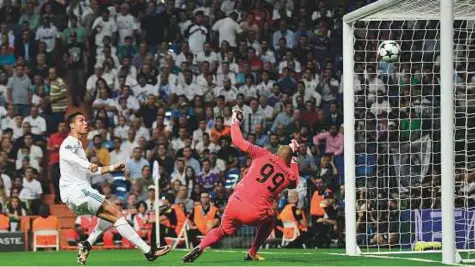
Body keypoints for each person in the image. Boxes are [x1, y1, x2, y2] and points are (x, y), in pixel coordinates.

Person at [183, 109, 300, 262]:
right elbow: (295, 182)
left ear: (277, 152)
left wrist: (235, 122)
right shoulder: (289, 174)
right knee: (272, 218)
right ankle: (252, 252)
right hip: (255, 212)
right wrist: (295, 157)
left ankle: (201, 246)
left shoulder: (263, 153)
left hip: (235, 203)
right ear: (288, 159)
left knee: (223, 230)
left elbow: (237, 141)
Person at [59, 112, 171, 265]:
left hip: (75, 194)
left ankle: (87, 244)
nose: (85, 123)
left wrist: (112, 167)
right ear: (72, 125)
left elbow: (93, 170)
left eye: (86, 120)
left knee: (109, 218)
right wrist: (86, 164)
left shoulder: (78, 146)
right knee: (117, 214)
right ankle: (148, 251)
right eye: (81, 120)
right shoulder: (69, 142)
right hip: (77, 191)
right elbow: (65, 154)